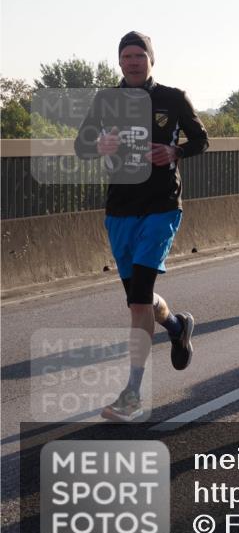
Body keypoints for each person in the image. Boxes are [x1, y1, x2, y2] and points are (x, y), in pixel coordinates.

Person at [74, 31, 208, 422]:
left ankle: (132, 392)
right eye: (126, 56)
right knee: (139, 298)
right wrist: (97, 146)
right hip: (120, 209)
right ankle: (177, 324)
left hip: (161, 206)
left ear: (151, 60)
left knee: (138, 299)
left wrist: (176, 149)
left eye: (139, 55)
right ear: (119, 62)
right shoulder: (106, 100)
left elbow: (202, 139)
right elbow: (82, 146)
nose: (133, 62)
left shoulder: (172, 97)